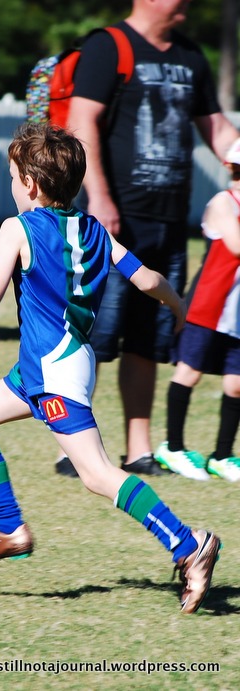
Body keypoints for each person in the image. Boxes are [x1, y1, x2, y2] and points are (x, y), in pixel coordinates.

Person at [0, 122, 220, 614]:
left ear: (29, 183)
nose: (11, 188)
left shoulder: (18, 228)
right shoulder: (93, 229)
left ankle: (188, 544)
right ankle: (9, 527)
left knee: (96, 473)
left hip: (53, 373)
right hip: (49, 368)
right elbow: (147, 278)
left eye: (11, 178)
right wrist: (178, 306)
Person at [54, 0, 240, 478]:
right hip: (114, 220)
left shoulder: (190, 56)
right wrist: (100, 198)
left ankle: (139, 449)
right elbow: (82, 123)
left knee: (148, 339)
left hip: (169, 222)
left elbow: (218, 131)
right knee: (92, 335)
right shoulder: (107, 47)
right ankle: (72, 448)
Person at [155, 138, 240, 482]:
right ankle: (172, 448)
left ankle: (222, 455)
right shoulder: (223, 201)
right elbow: (236, 244)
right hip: (208, 306)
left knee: (236, 385)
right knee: (188, 373)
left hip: (236, 313)